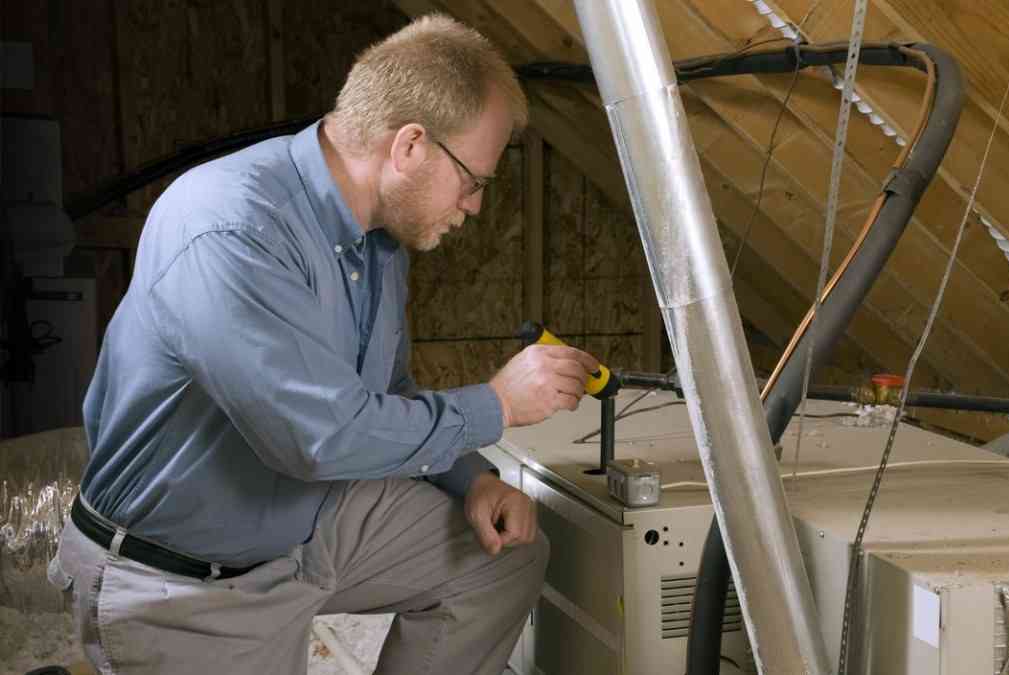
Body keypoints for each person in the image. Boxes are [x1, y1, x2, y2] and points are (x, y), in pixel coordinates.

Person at [49, 14, 598, 675]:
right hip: (185, 584)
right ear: (411, 146)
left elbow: (383, 398)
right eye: (474, 180)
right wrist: (497, 405)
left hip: (301, 525)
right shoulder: (232, 227)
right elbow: (317, 439)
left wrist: (473, 477)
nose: (475, 206)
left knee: (504, 556)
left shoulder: (378, 240)